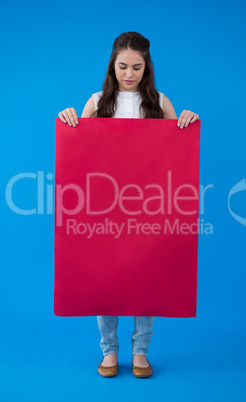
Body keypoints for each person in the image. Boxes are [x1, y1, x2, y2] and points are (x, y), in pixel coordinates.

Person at [58, 31, 199, 378]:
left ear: (147, 66)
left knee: (145, 277)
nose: (130, 74)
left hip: (147, 205)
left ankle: (140, 352)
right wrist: (70, 118)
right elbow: (82, 149)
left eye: (137, 67)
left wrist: (186, 120)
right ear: (113, 65)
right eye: (123, 66)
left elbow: (174, 151)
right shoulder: (97, 102)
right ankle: (109, 351)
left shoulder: (159, 103)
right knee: (106, 277)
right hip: (106, 206)